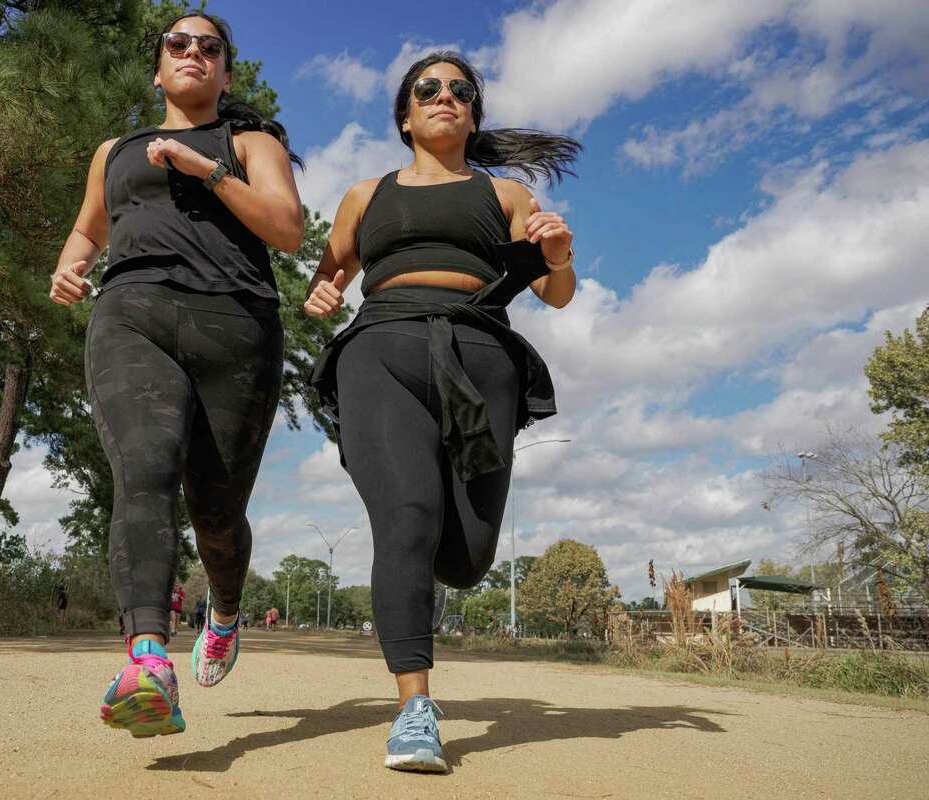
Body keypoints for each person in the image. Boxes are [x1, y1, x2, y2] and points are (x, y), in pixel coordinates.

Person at [305, 51, 579, 772]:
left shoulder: (507, 196)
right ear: (405, 115)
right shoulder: (367, 195)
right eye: (429, 89)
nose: (446, 97)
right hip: (382, 351)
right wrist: (323, 292)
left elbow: (558, 294)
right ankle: (415, 709)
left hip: (480, 357)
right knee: (407, 519)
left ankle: (438, 577)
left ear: (474, 114)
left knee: (465, 557)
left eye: (462, 91)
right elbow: (329, 272)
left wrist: (557, 253)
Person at [48, 11, 303, 738]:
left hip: (237, 327)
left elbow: (286, 228)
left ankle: (223, 610)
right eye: (177, 44)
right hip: (131, 314)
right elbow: (89, 227)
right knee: (145, 473)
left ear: (225, 71)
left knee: (217, 513)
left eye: (209, 47)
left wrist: (209, 170)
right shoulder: (115, 150)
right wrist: (72, 266)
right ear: (158, 67)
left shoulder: (251, 142)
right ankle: (148, 658)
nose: (193, 52)